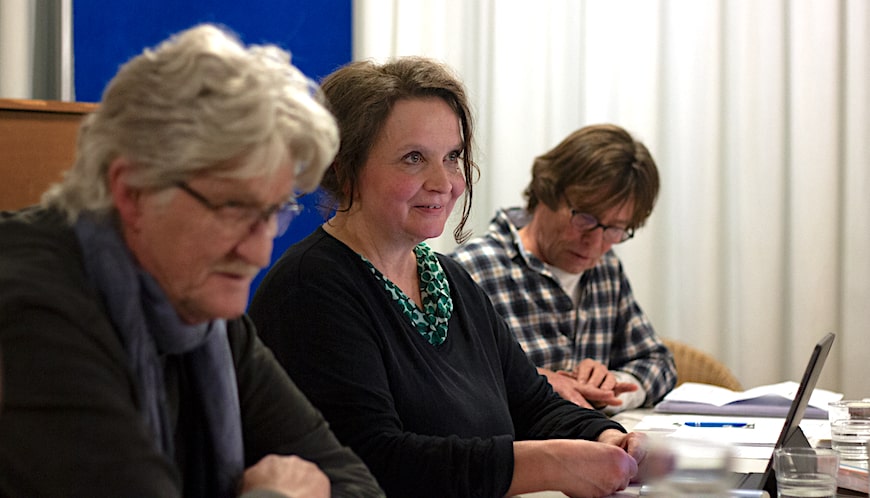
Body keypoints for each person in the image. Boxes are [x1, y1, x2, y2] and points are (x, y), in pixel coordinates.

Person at [0, 24, 383, 498]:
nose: (258, 252)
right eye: (233, 209)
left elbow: (357, 484)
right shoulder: (31, 314)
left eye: (273, 212)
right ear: (132, 191)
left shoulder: (205, 315)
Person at [248, 57, 648, 498]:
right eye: (413, 158)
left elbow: (533, 403)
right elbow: (369, 463)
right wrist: (548, 465)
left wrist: (607, 437)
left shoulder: (448, 279)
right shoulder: (310, 288)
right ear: (345, 169)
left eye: (453, 157)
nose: (444, 182)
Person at [449, 124, 677, 414]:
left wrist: (612, 386)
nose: (595, 242)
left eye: (615, 229)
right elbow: (446, 384)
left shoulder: (605, 269)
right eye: (585, 218)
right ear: (547, 191)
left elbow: (659, 362)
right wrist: (534, 384)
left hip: (600, 435)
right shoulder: (471, 271)